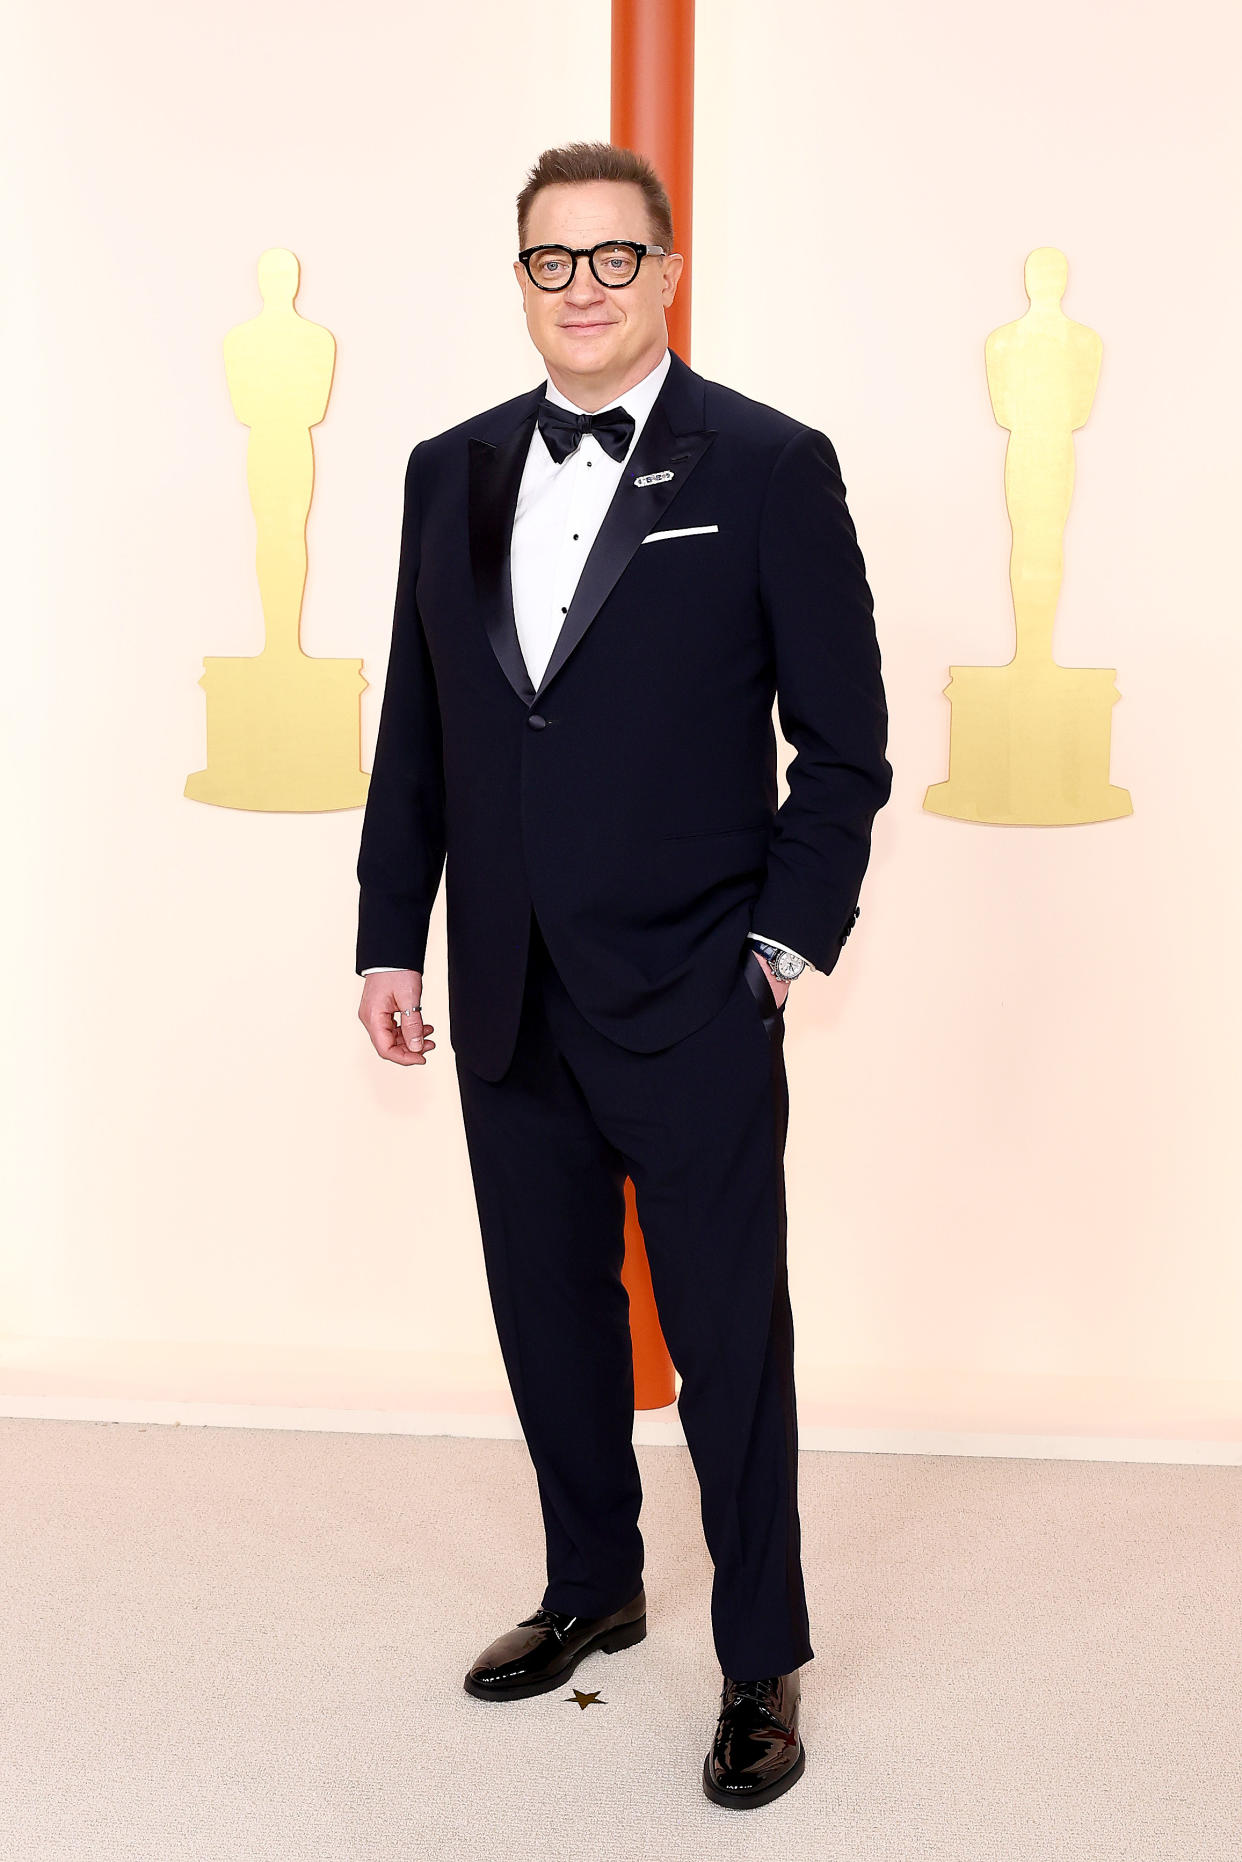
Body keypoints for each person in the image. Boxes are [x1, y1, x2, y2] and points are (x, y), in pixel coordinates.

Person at [355, 140, 892, 1809]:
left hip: (690, 987)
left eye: (611, 258)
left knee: (731, 1333)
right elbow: (419, 731)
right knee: (550, 1314)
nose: (579, 288)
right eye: (548, 261)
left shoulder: (771, 462)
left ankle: (760, 1659)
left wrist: (781, 943)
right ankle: (592, 1579)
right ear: (517, 279)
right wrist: (391, 926)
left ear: (666, 272)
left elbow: (848, 748)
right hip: (503, 978)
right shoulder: (444, 471)